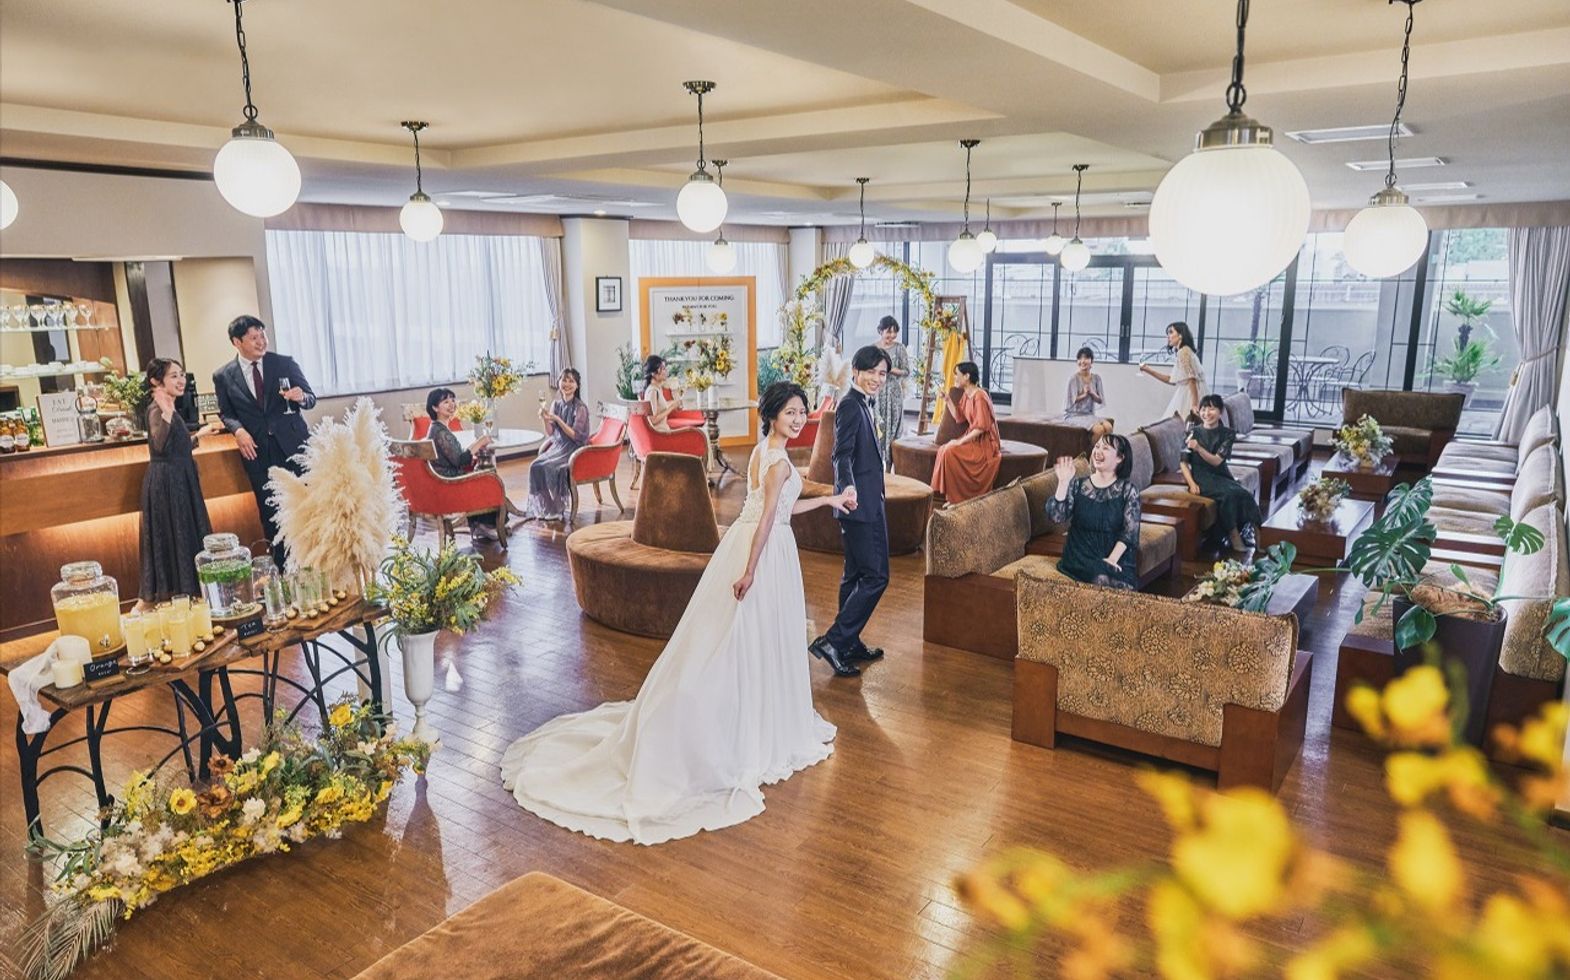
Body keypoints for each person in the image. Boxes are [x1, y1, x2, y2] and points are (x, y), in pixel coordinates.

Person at [500, 382, 855, 845]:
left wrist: (829, 500)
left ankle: (747, 711)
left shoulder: (763, 453)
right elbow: (770, 517)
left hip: (748, 543)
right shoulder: (780, 463)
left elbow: (782, 509)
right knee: (747, 639)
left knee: (732, 637)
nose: (798, 418)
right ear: (772, 415)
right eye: (790, 411)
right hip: (763, 553)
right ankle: (742, 725)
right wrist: (751, 570)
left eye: (802, 411)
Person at [809, 346, 891, 678]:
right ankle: (834, 641)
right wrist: (848, 488)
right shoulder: (849, 405)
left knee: (855, 575)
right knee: (877, 576)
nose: (877, 379)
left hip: (867, 500)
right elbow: (840, 454)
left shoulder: (863, 404)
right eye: (871, 371)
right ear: (855, 371)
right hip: (858, 504)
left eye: (882, 373)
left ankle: (849, 642)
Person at [212, 315, 316, 564]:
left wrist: (301, 397)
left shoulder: (284, 364)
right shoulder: (223, 375)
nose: (261, 341)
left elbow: (311, 399)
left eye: (263, 335)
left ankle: (313, 564)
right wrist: (239, 431)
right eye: (254, 338)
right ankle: (282, 569)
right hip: (258, 452)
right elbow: (226, 412)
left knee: (306, 507)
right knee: (271, 514)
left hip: (294, 447)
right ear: (237, 342)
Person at [139, 359, 223, 605]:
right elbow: (159, 445)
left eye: (182, 375)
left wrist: (200, 434)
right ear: (156, 381)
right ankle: (169, 596)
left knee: (185, 531)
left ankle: (191, 593)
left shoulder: (168, 406)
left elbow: (177, 447)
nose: (181, 380)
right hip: (167, 482)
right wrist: (166, 411)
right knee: (174, 532)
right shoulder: (156, 409)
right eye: (174, 376)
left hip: (180, 477)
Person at [1046, 433, 1141, 590]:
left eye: (1105, 448)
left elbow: (1129, 534)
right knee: (1102, 578)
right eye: (1097, 446)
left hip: (1115, 556)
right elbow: (1056, 516)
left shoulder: (1129, 491)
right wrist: (1063, 483)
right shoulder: (1078, 485)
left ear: (1120, 458)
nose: (1098, 451)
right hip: (1080, 555)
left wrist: (1111, 560)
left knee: (1124, 584)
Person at [1181, 393, 1262, 553]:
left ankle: (1259, 539)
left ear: (1220, 412)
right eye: (1203, 409)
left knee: (1245, 494)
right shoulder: (1192, 432)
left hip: (1222, 475)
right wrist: (1191, 483)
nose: (1206, 413)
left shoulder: (1228, 434)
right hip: (1202, 477)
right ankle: (1234, 536)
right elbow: (1183, 462)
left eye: (1211, 409)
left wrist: (1199, 448)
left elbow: (1217, 461)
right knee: (1228, 496)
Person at [425, 388, 500, 540]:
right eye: (446, 402)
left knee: (482, 472)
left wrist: (476, 445)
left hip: (441, 479)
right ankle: (485, 524)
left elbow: (457, 457)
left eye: (452, 400)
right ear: (435, 408)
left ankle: (480, 524)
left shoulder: (437, 428)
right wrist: (481, 441)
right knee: (489, 478)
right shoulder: (440, 432)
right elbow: (460, 461)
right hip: (448, 483)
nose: (452, 404)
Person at [522, 368, 592, 521]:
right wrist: (545, 419)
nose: (567, 384)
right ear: (559, 382)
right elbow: (550, 432)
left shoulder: (580, 408)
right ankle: (549, 507)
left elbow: (576, 435)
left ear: (577, 385)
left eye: (571, 381)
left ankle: (558, 507)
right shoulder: (556, 404)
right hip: (557, 446)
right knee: (535, 466)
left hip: (573, 449)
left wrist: (558, 419)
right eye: (564, 380)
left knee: (552, 467)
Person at [930, 361, 1001, 505]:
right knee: (944, 449)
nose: (955, 377)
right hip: (974, 438)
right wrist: (947, 400)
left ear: (967, 376)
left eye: (957, 374)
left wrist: (959, 442)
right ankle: (953, 497)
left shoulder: (980, 396)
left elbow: (981, 428)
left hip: (985, 443)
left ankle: (958, 499)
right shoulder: (967, 395)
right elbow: (959, 416)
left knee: (950, 451)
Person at [1139, 321, 1207, 419]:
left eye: (1171, 332)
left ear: (1180, 335)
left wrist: (1194, 405)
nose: (1168, 336)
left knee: (1180, 423)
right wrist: (1148, 370)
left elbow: (1192, 379)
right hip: (1190, 392)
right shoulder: (1185, 351)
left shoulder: (1184, 352)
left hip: (1190, 395)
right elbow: (1171, 380)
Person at [872, 315, 910, 467]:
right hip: (878, 392)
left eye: (894, 332)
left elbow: (906, 371)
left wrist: (891, 370)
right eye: (888, 332)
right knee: (878, 425)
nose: (892, 335)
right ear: (880, 331)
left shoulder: (900, 348)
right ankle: (876, 463)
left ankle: (889, 466)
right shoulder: (874, 349)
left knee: (894, 427)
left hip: (894, 393)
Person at [641, 355, 704, 433]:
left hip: (664, 431)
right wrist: (671, 408)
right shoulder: (653, 391)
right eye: (663, 369)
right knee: (699, 433)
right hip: (661, 434)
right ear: (653, 373)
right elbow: (653, 420)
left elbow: (659, 407)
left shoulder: (657, 388)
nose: (666, 371)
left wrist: (673, 403)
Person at [1064, 346, 1104, 416]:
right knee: (1099, 426)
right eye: (1080, 358)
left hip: (1090, 414)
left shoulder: (1097, 378)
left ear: (1091, 361)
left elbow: (1100, 400)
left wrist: (1092, 393)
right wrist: (1084, 394)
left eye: (1086, 358)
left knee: (1107, 423)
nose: (1082, 361)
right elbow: (1073, 400)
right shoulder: (1074, 379)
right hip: (1074, 414)